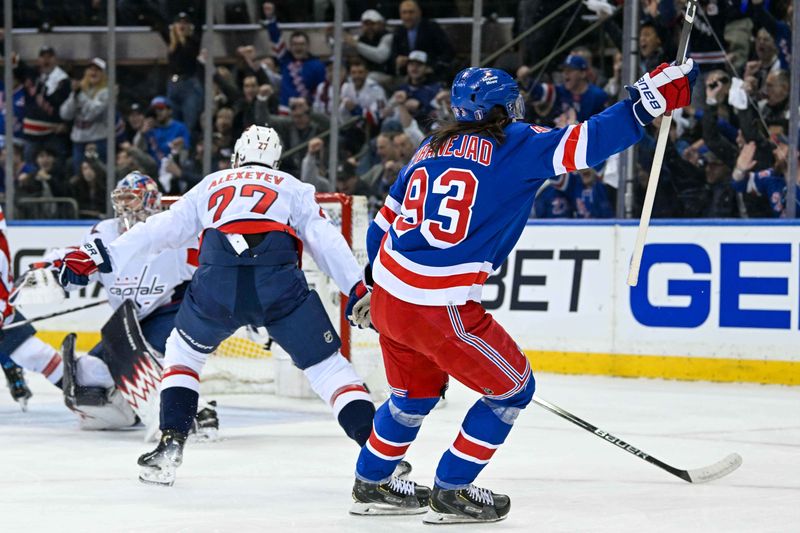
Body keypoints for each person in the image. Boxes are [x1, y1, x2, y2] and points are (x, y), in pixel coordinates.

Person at [344, 61, 697, 522]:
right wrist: (646, 99)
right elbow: (588, 142)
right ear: (501, 107)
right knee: (512, 390)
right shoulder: (518, 142)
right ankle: (453, 489)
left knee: (412, 395)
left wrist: (373, 286)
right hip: (441, 306)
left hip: (390, 296)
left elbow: (380, 227)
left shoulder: (428, 147)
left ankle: (372, 479)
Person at [56, 126, 380, 487]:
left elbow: (159, 229)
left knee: (182, 355)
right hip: (278, 285)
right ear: (275, 160)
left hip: (217, 283)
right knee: (328, 369)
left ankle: (170, 444)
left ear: (237, 157)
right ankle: (382, 462)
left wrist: (102, 255)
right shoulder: (292, 186)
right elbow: (326, 241)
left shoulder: (212, 182)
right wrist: (357, 288)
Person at [59, 57, 110, 175]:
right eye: (91, 69)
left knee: (99, 174)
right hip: (79, 140)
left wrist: (80, 94)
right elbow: (65, 114)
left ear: (103, 73)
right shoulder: (80, 89)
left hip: (98, 139)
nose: (93, 72)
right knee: (79, 175)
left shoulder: (107, 92)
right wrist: (74, 95)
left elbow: (91, 113)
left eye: (98, 70)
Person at [391, 0, 454, 77]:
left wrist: (433, 68)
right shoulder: (399, 31)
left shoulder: (432, 28)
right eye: (404, 12)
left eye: (411, 12)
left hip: (430, 74)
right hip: (407, 76)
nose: (407, 16)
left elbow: (448, 52)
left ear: (419, 13)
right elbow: (394, 55)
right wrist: (398, 60)